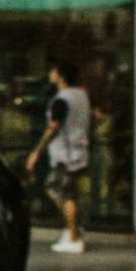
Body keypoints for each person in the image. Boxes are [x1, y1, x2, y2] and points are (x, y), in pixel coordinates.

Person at [26, 62, 91, 254]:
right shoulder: (82, 95)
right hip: (79, 151)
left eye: (53, 71)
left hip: (65, 154)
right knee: (65, 192)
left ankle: (74, 237)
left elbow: (53, 127)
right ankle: (72, 230)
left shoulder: (62, 99)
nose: (50, 74)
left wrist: (37, 152)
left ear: (61, 75)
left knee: (61, 192)